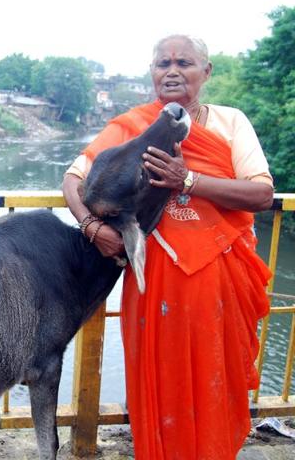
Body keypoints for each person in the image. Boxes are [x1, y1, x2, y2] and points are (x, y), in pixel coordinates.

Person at [63, 34, 274, 459]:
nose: (172, 71)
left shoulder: (230, 123)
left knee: (217, 374)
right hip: (153, 272)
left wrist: (187, 181)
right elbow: (74, 180)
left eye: (184, 62)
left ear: (206, 71)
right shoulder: (132, 127)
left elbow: (261, 195)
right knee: (159, 376)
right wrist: (89, 225)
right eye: (163, 63)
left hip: (218, 278)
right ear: (153, 72)